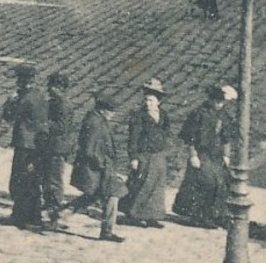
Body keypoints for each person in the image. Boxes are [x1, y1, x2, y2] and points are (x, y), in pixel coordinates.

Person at [173, 85, 239, 229]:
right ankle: (199, 216)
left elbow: (226, 137)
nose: (219, 105)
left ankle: (218, 215)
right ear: (211, 100)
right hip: (201, 153)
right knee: (207, 183)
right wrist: (193, 155)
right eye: (217, 101)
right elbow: (189, 138)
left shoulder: (223, 115)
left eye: (221, 102)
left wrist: (226, 155)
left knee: (223, 182)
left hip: (216, 155)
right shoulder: (198, 114)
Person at [67, 92, 127, 242]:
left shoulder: (97, 119)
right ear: (103, 109)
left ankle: (56, 215)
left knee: (91, 197)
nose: (113, 114)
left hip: (97, 168)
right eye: (111, 111)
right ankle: (107, 232)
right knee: (112, 194)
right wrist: (102, 165)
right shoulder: (95, 123)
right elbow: (89, 149)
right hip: (95, 169)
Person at [1, 63, 47, 230]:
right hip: (38, 145)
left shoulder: (24, 99)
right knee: (33, 181)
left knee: (20, 181)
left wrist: (10, 100)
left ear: (22, 81)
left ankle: (19, 216)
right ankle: (34, 216)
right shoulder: (40, 95)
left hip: (25, 145)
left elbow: (8, 116)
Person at [122, 79, 173, 228]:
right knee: (141, 184)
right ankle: (133, 214)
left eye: (151, 100)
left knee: (157, 186)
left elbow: (167, 132)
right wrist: (134, 157)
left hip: (158, 155)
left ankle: (152, 215)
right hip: (144, 155)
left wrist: (165, 149)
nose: (147, 103)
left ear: (158, 101)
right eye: (146, 100)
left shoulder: (163, 115)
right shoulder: (138, 116)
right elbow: (133, 138)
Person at [40, 73, 75, 230]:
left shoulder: (63, 104)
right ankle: (49, 209)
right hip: (53, 147)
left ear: (59, 87)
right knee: (49, 179)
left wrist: (42, 123)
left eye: (52, 86)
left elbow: (61, 127)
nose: (49, 89)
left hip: (57, 148)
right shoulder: (57, 101)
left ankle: (54, 215)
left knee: (54, 181)